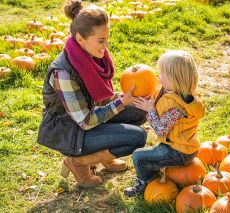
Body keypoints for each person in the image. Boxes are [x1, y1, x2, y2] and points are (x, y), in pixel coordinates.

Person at [37, 0, 147, 188]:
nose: (105, 46)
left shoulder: (90, 57)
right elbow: (85, 121)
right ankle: (78, 162)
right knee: (137, 137)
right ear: (80, 39)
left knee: (139, 109)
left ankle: (105, 155)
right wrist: (120, 103)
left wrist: (128, 99)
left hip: (87, 118)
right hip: (69, 130)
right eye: (101, 40)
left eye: (107, 38)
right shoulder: (63, 73)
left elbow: (102, 97)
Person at [124, 50, 205, 197]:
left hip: (179, 152)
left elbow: (161, 130)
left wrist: (150, 110)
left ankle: (145, 182)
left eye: (161, 74)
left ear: (174, 79)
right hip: (182, 145)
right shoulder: (176, 92)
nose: (158, 76)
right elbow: (160, 97)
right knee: (152, 154)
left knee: (138, 156)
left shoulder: (176, 107)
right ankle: (157, 168)